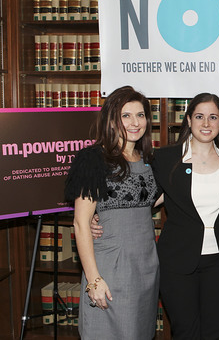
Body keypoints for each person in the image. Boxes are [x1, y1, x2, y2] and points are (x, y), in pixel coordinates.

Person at [65, 86, 160, 340]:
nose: (134, 122)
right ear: (111, 119)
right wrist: (94, 280)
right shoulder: (94, 159)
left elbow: (154, 198)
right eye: (126, 115)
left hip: (146, 267)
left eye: (140, 115)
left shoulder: (149, 159)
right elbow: (81, 223)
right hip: (110, 268)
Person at [152, 93, 219, 339]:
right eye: (199, 117)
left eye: (213, 117)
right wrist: (99, 217)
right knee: (185, 332)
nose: (206, 123)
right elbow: (142, 200)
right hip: (178, 261)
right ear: (188, 119)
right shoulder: (166, 158)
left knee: (214, 332)